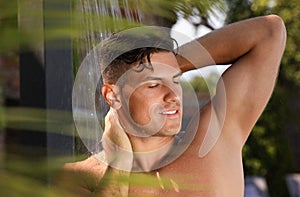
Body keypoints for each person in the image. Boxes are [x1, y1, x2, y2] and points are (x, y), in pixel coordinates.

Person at [53, 15, 286, 196]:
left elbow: (269, 31)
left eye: (175, 80)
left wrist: (173, 63)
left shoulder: (215, 143)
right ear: (112, 95)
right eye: (154, 85)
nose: (173, 95)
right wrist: (119, 161)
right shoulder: (78, 178)